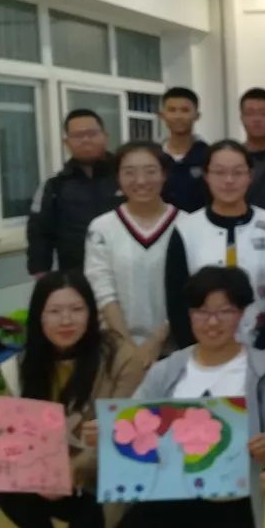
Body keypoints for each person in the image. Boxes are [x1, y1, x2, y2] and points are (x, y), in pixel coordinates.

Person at [103, 266, 265, 528]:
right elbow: (132, 423)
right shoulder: (168, 370)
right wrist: (105, 433)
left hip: (237, 504)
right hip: (176, 497)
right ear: (189, 314)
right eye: (202, 311)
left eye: (225, 311)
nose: (213, 322)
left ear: (242, 313)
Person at [0, 271, 143, 528]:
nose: (66, 320)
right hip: (48, 477)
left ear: (92, 313)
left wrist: (70, 471)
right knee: (5, 485)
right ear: (39, 316)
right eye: (54, 311)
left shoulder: (122, 358)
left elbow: (125, 433)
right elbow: (4, 439)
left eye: (76, 309)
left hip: (104, 477)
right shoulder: (21, 366)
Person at [165, 140, 265, 354]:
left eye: (238, 172)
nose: (229, 180)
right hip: (202, 352)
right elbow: (176, 300)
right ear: (206, 176)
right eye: (219, 172)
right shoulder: (186, 229)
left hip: (262, 351)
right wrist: (197, 350)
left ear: (250, 176)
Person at [84, 141, 179, 369]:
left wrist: (156, 341)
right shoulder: (102, 228)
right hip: (115, 350)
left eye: (150, 171)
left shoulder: (187, 225)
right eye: (129, 173)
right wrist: (127, 347)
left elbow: (188, 292)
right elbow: (102, 290)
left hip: (173, 349)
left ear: (164, 174)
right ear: (117, 177)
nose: (141, 181)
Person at [27, 109, 120, 275]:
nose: (86, 140)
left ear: (105, 136)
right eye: (77, 135)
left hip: (126, 271)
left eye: (92, 133)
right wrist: (41, 273)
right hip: (77, 276)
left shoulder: (127, 177)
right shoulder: (55, 186)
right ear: (67, 142)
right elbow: (39, 234)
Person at [158, 86, 209, 212]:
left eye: (185, 110)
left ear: (197, 115)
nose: (178, 116)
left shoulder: (210, 156)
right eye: (172, 110)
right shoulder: (154, 156)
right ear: (162, 115)